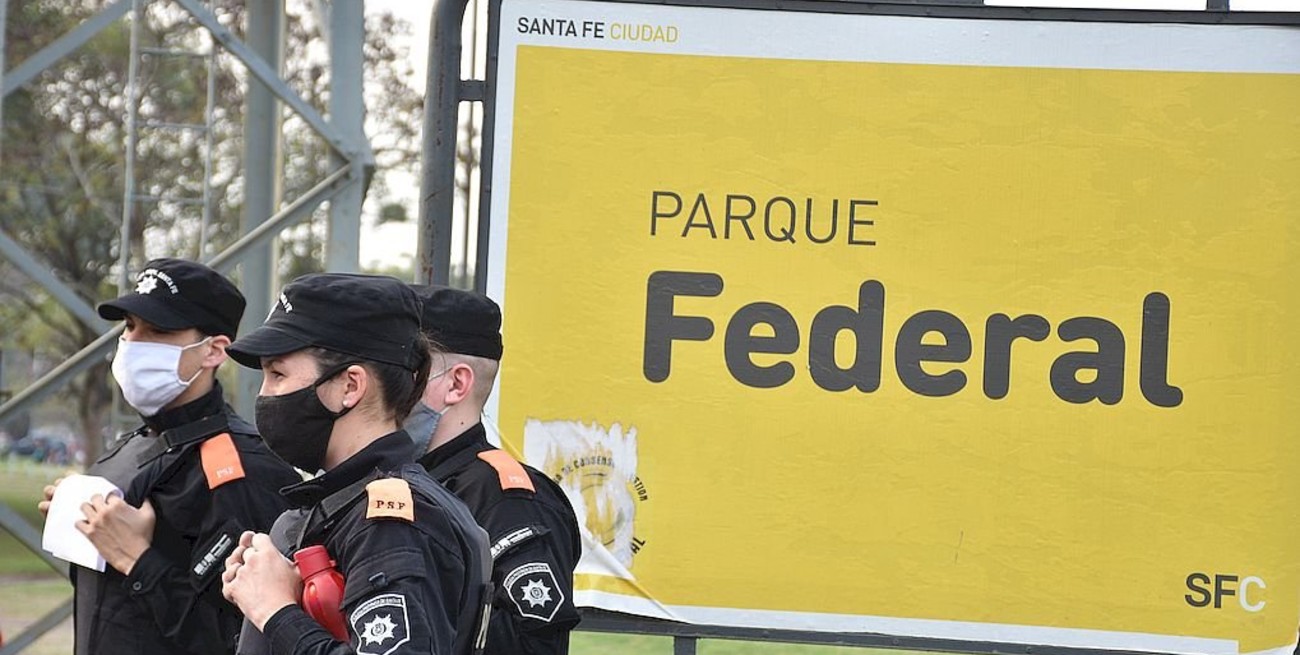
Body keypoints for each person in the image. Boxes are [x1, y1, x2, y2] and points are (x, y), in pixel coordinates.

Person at [38, 258, 302, 655]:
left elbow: (246, 639)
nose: (134, 343)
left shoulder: (244, 469)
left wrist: (139, 560)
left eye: (158, 331)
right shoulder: (136, 442)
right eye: (130, 326)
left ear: (213, 351)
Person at [220, 273, 491, 655]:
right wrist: (257, 593)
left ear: (350, 386)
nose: (264, 395)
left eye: (277, 374)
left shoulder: (391, 522)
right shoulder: (332, 508)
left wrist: (275, 611)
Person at [407, 285, 581, 655]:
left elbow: (528, 642)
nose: (383, 385)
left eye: (404, 369)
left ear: (456, 383)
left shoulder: (507, 499)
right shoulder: (395, 484)